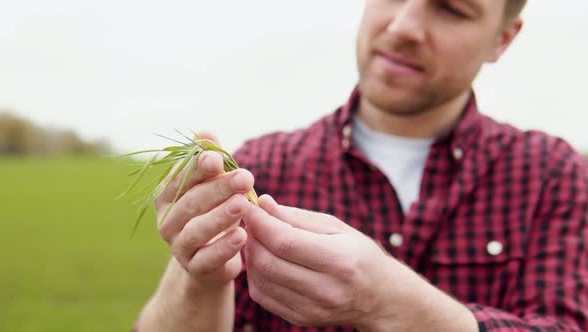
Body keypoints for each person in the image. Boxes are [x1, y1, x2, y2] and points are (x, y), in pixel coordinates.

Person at [134, 0, 588, 331]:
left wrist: (394, 304)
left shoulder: (550, 174)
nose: (404, 25)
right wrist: (202, 279)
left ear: (502, 39)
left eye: (450, 8)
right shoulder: (262, 166)